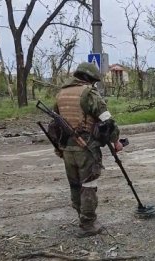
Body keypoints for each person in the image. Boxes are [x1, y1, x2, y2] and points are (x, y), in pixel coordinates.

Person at [53, 62, 123, 238]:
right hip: (86, 148)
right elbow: (106, 120)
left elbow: (55, 123)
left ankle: (81, 216)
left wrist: (59, 146)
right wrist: (116, 140)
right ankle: (88, 224)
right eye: (93, 81)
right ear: (88, 78)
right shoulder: (88, 93)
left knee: (75, 184)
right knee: (89, 184)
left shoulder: (61, 94)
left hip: (67, 148)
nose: (93, 84)